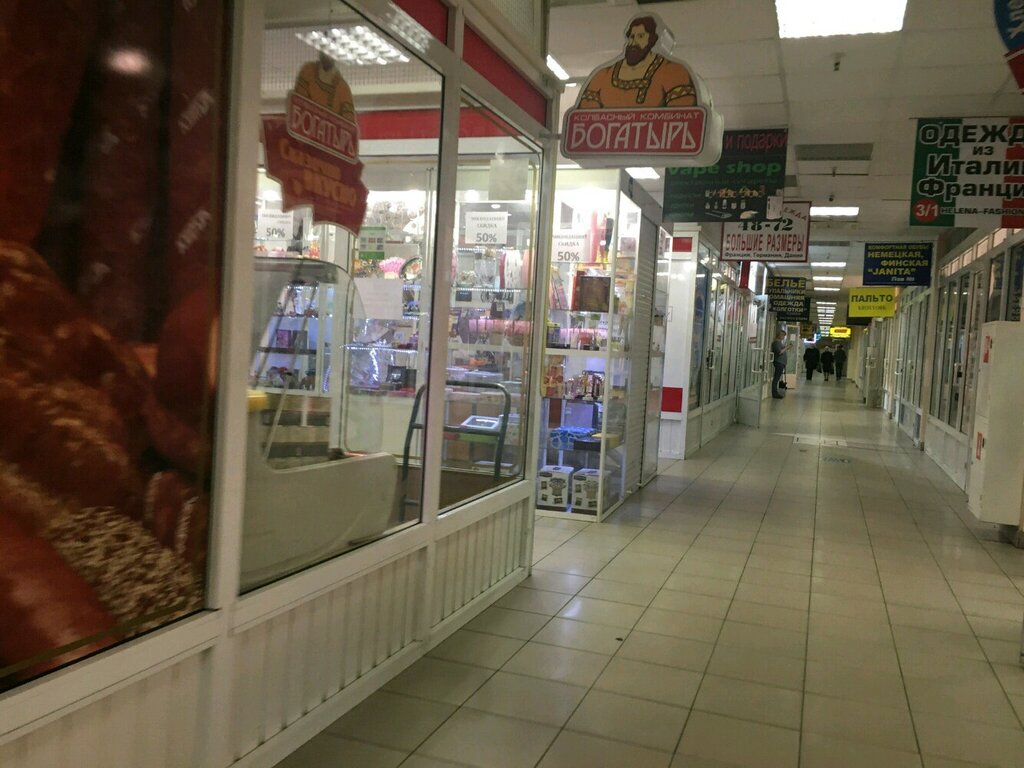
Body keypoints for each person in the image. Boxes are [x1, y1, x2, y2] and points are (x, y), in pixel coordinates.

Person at [577, 16, 698, 109]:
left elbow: (682, 117)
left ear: (652, 39)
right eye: (631, 37)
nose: (633, 42)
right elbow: (586, 117)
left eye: (640, 36)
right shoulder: (602, 76)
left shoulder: (673, 72)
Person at [771, 330, 789, 399]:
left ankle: (775, 392)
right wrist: (786, 348)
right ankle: (775, 393)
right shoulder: (776, 343)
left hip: (781, 363)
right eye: (783, 335)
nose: (783, 337)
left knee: (777, 378)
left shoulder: (780, 343)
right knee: (776, 378)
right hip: (779, 362)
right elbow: (779, 352)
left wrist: (786, 348)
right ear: (779, 335)